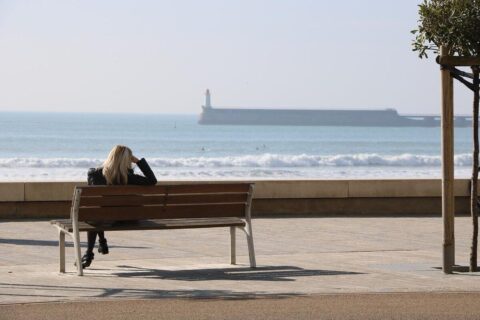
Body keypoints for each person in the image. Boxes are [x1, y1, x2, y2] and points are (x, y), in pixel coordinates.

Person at [80, 145, 157, 268]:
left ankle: (89, 253)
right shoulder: (130, 177)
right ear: (127, 160)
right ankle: (101, 242)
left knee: (96, 214)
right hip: (128, 219)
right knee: (99, 214)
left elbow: (97, 204)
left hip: (104, 219)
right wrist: (138, 161)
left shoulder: (94, 174)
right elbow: (152, 180)